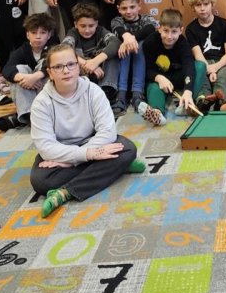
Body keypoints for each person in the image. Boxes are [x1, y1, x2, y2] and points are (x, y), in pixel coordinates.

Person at [29, 42, 143, 218]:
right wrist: (86, 155)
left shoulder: (94, 91)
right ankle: (116, 168)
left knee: (128, 149)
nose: (66, 71)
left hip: (93, 143)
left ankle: (65, 193)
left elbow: (107, 132)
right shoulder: (41, 103)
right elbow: (46, 147)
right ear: (50, 73)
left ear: (78, 66)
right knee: (40, 180)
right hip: (62, 150)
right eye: (58, 67)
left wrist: (74, 160)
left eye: (71, 64)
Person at [138, 9, 207, 125]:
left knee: (200, 66)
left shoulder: (183, 43)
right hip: (160, 80)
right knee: (153, 88)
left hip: (179, 77)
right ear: (159, 28)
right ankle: (157, 113)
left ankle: (187, 104)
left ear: (181, 31)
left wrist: (188, 90)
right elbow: (147, 70)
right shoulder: (150, 42)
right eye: (166, 31)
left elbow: (189, 66)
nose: (169, 36)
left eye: (174, 32)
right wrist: (159, 78)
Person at [0, 12, 58, 132]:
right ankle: (28, 115)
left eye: (42, 33)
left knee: (49, 63)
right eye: (34, 33)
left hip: (45, 89)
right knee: (19, 69)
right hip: (29, 92)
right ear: (27, 35)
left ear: (49, 35)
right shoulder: (23, 50)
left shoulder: (54, 46)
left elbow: (53, 64)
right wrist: (23, 78)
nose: (38, 37)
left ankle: (38, 116)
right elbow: (7, 69)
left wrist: (35, 77)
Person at [110, 0, 157, 115]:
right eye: (124, 8)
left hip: (142, 58)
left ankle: (137, 94)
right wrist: (126, 38)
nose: (128, 11)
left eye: (132, 7)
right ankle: (121, 95)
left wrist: (130, 40)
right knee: (124, 45)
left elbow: (150, 29)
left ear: (139, 6)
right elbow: (118, 29)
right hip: (124, 60)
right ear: (118, 9)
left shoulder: (147, 19)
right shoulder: (117, 20)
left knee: (138, 45)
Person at [186, 0, 226, 105]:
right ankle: (203, 102)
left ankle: (221, 103)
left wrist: (215, 68)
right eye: (198, 5)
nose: (202, 8)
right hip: (203, 62)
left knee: (222, 79)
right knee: (202, 80)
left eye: (206, 4)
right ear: (193, 7)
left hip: (223, 62)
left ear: (212, 4)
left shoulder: (224, 24)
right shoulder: (191, 29)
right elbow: (198, 55)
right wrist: (209, 69)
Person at [65, 2, 121, 102]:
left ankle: (107, 91)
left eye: (91, 26)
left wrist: (95, 62)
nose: (87, 30)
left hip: (101, 74)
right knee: (67, 60)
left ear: (97, 24)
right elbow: (64, 49)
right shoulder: (72, 33)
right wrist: (87, 64)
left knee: (114, 55)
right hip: (83, 74)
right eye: (83, 26)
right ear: (76, 24)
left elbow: (115, 42)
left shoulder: (101, 31)